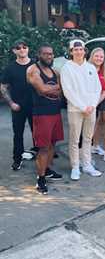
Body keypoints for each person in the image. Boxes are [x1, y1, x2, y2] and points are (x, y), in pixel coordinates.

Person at [60, 39, 102, 180]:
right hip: (75, 110)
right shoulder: (67, 68)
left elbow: (98, 88)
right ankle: (75, 167)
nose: (79, 52)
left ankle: (87, 165)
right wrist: (83, 106)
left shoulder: (90, 67)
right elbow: (68, 91)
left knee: (88, 138)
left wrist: (92, 105)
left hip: (91, 109)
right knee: (74, 139)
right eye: (75, 49)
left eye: (81, 49)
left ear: (85, 51)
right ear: (71, 51)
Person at [27, 45, 64, 194]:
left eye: (51, 54)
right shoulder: (33, 70)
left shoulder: (54, 71)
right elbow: (41, 89)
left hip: (55, 112)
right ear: (39, 54)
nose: (49, 56)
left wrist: (56, 88)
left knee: (52, 144)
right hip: (41, 114)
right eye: (46, 54)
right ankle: (40, 179)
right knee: (43, 147)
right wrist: (57, 88)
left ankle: (47, 170)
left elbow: (62, 88)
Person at [0, 40, 34, 170]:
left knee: (37, 133)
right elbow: (3, 86)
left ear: (28, 49)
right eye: (18, 48)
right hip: (18, 106)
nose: (22, 50)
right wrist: (11, 103)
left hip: (35, 106)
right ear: (14, 51)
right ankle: (17, 159)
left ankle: (41, 156)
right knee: (18, 134)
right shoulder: (10, 68)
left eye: (24, 47)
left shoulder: (35, 65)